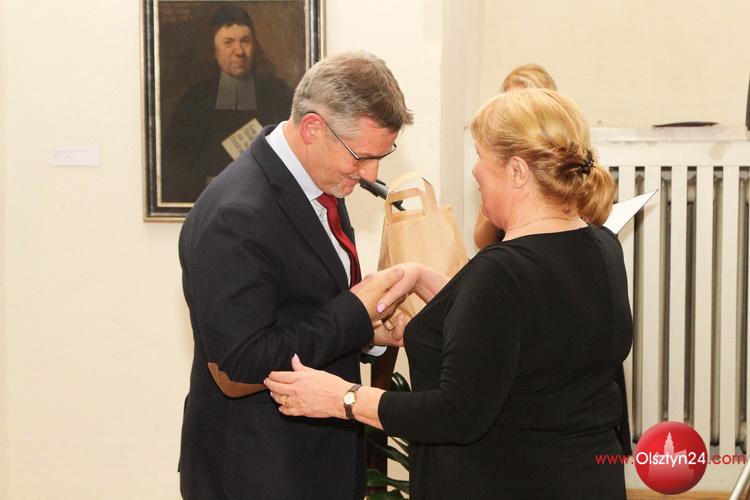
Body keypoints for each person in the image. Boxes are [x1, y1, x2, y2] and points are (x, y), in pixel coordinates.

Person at [266, 88, 633, 499]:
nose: (476, 171)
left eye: (481, 156)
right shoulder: (601, 245)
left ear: (517, 172)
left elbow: (456, 412)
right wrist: (428, 280)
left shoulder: (502, 273)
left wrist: (342, 398)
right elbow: (531, 334)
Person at [177, 52, 414, 499]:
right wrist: (355, 312)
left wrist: (369, 331)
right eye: (362, 156)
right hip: (261, 471)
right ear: (312, 128)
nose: (371, 174)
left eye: (381, 157)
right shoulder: (237, 214)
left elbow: (302, 310)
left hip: (317, 461)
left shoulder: (318, 177)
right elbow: (241, 362)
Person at [163, 5, 295, 202]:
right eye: (228, 42)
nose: (239, 51)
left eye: (245, 41)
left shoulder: (279, 95)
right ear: (214, 49)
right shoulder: (194, 100)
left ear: (255, 45)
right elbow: (176, 163)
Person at [474, 63, 558, 249]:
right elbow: (481, 241)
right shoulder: (496, 160)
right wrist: (496, 205)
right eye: (505, 104)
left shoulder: (560, 163)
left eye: (519, 104)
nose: (510, 113)